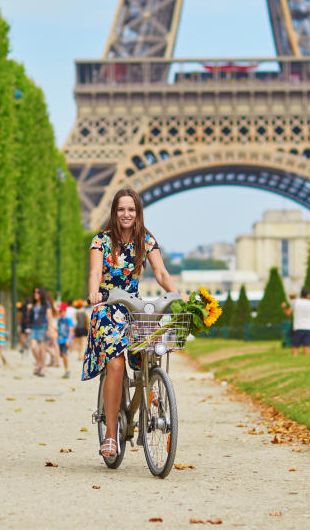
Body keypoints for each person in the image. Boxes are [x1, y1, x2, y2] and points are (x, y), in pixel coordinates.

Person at [82, 187, 180, 459]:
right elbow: (94, 272)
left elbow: (160, 272)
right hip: (107, 306)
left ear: (138, 213)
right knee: (114, 363)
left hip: (134, 309)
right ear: (114, 212)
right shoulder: (100, 241)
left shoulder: (146, 241)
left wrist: (177, 296)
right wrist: (94, 293)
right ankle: (111, 435)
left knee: (149, 354)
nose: (126, 214)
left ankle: (150, 399)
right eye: (121, 209)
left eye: (131, 209)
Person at [27, 287, 52, 376]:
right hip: (34, 327)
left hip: (43, 326)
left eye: (37, 292)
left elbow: (49, 316)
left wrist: (49, 328)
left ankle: (43, 368)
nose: (35, 294)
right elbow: (29, 317)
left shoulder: (46, 304)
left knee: (42, 349)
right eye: (34, 292)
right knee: (33, 347)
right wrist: (29, 310)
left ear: (41, 294)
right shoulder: (33, 304)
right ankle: (39, 363)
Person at [289, 288, 310, 357]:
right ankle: (305, 358)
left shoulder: (295, 302)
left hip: (298, 326)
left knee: (295, 346)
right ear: (308, 295)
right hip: (308, 327)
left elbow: (288, 312)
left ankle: (295, 357)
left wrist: (283, 308)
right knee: (306, 346)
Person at [57, 303, 74, 379]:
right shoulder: (59, 320)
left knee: (64, 354)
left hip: (65, 340)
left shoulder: (68, 319)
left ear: (65, 311)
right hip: (60, 340)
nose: (60, 313)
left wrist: (68, 340)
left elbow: (71, 330)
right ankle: (66, 370)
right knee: (62, 355)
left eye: (61, 311)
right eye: (59, 311)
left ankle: (67, 370)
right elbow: (58, 330)